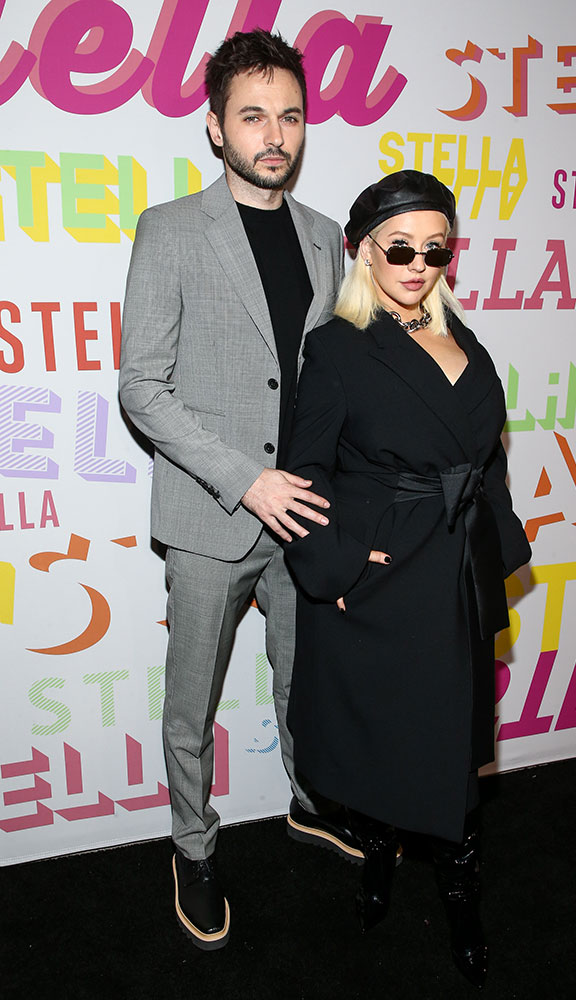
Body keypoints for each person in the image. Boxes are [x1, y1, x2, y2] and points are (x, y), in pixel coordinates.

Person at [119, 29, 357, 952]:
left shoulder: (325, 237)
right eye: (253, 116)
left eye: (289, 115)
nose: (274, 134)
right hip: (210, 512)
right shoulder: (171, 229)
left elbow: (332, 380)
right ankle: (193, 847)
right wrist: (245, 480)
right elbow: (143, 387)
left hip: (308, 515)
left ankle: (309, 802)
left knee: (307, 682)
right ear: (216, 127)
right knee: (193, 704)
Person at [283, 170, 532, 988]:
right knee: (381, 749)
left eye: (435, 249)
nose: (418, 264)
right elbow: (305, 472)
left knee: (450, 757)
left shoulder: (465, 339)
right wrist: (340, 564)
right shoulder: (335, 347)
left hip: (453, 573)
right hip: (383, 581)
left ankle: (460, 906)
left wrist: (495, 549)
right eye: (400, 248)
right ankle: (378, 866)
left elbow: (484, 461)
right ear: (363, 249)